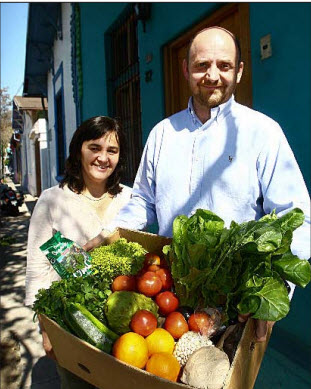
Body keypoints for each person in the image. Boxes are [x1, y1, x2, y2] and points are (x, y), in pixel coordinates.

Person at [84, 27, 311, 342]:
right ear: (185, 70)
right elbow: (143, 202)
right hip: (168, 303)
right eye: (202, 65)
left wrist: (270, 294)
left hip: (236, 307)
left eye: (225, 65)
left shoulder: (263, 134)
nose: (213, 75)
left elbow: (295, 216)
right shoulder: (162, 135)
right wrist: (113, 232)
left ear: (240, 71)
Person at [25, 116, 132, 388]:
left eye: (112, 150)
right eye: (94, 148)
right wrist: (46, 329)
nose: (103, 158)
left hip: (126, 329)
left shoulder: (130, 200)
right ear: (78, 150)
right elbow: (37, 272)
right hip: (71, 329)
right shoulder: (53, 200)